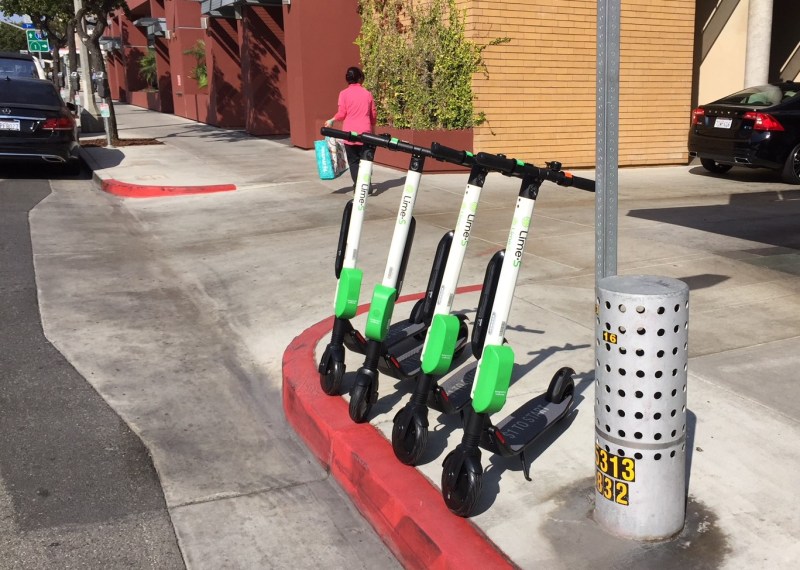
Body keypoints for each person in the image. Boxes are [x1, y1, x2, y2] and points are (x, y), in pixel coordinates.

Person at [325, 67, 377, 192]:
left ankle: (359, 186)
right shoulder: (367, 94)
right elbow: (373, 114)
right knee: (366, 160)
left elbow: (342, 113)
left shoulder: (343, 94)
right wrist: (373, 129)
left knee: (353, 162)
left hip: (349, 133)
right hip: (365, 132)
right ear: (360, 78)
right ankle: (367, 184)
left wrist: (332, 120)